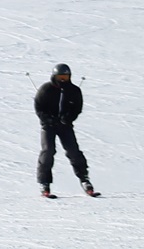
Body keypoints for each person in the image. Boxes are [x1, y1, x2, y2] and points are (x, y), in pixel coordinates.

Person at [36, 64, 99, 198]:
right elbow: (39, 107)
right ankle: (44, 183)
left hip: (65, 126)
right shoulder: (46, 89)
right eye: (60, 77)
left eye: (65, 77)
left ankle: (84, 179)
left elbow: (77, 108)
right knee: (48, 151)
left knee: (73, 151)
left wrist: (69, 118)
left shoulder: (74, 90)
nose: (63, 80)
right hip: (48, 126)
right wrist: (47, 119)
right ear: (54, 77)